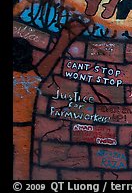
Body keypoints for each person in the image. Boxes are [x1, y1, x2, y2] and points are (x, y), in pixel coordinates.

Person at [13, 18, 89, 180]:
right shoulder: (31, 78)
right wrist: (66, 37)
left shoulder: (30, 78)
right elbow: (55, 54)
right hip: (23, 130)